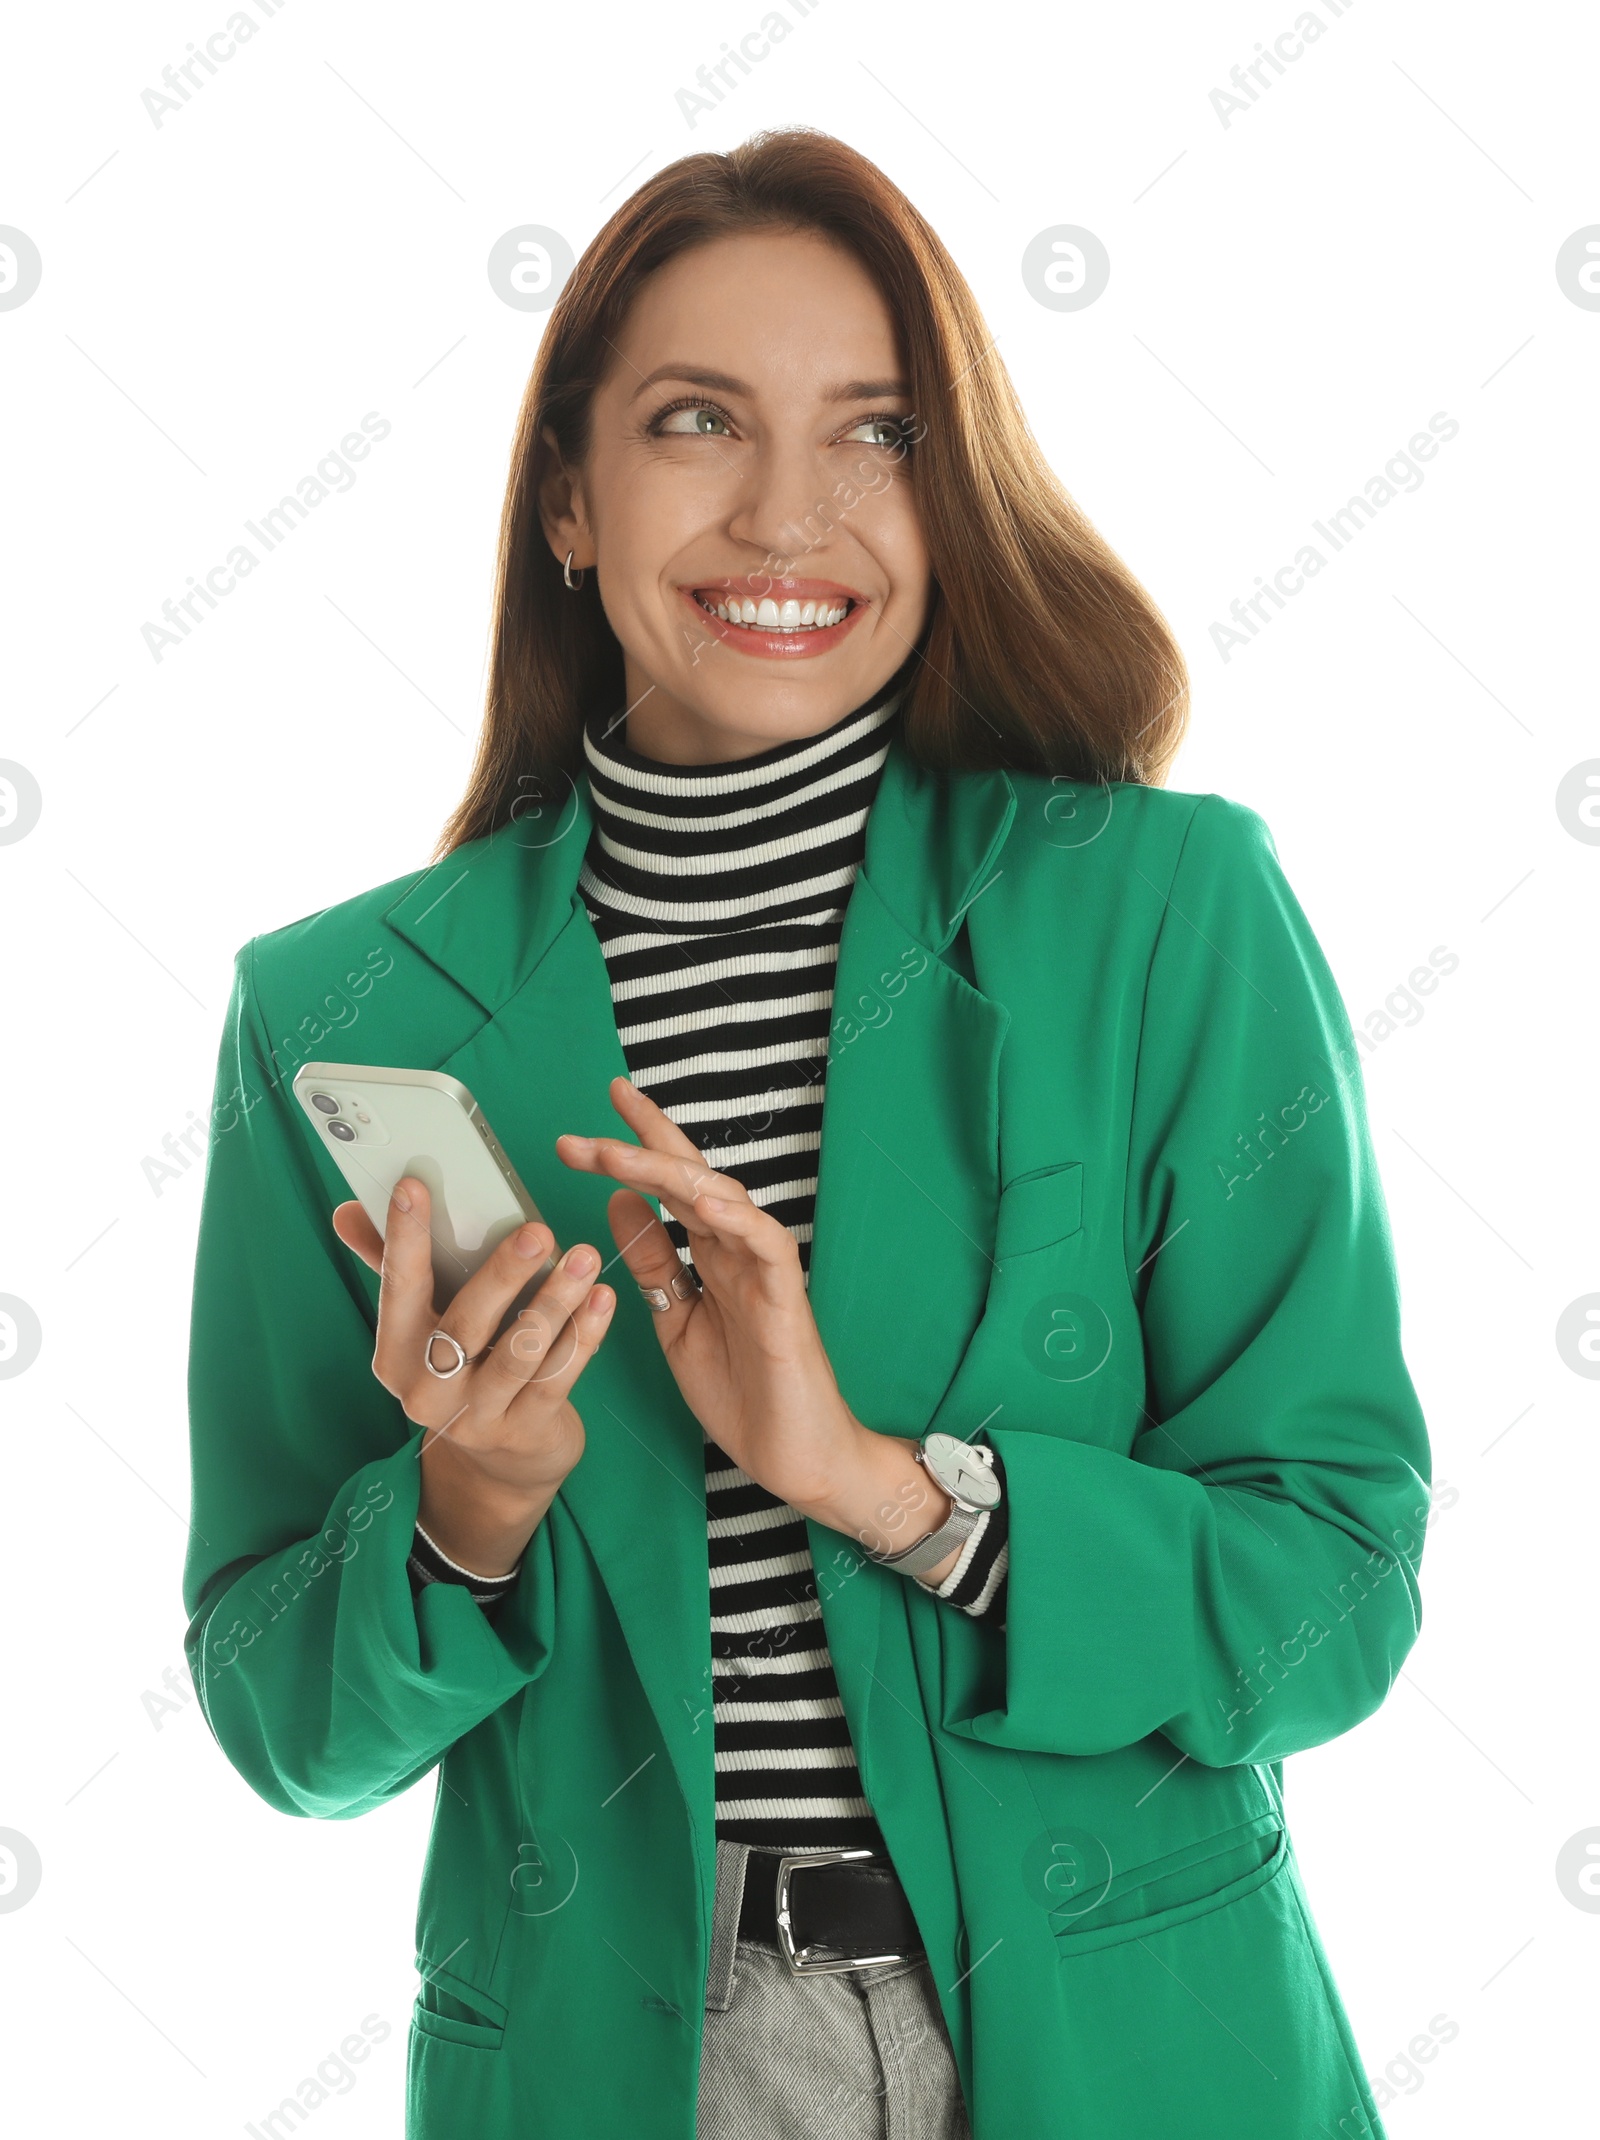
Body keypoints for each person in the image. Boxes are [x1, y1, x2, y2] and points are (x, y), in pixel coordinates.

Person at [183, 128, 1431, 2140]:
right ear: (568, 499)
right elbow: (280, 1714)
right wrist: (466, 1502)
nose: (789, 511)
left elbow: (1329, 1600)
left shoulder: (1163, 911)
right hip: (617, 2071)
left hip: (1129, 2052)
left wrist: (883, 1482)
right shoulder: (347, 1009)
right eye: (697, 421)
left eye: (873, 432)